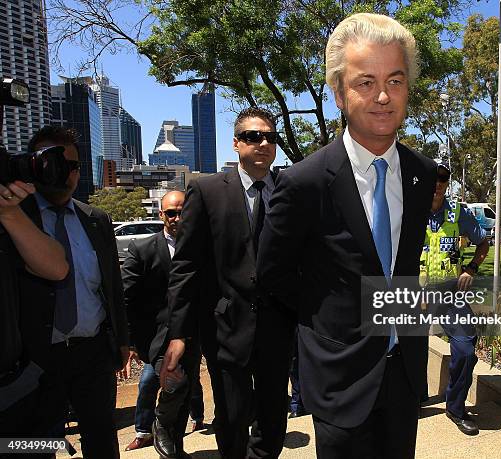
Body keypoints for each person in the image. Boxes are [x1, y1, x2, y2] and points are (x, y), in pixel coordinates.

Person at [257, 13, 437, 459]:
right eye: (365, 82)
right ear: (338, 92)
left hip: (405, 374)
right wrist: (333, 321)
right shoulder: (303, 183)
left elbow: (403, 268)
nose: (382, 96)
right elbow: (273, 276)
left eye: (395, 81)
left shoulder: (422, 175)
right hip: (340, 378)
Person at [160, 107, 295, 459]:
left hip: (277, 329)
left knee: (273, 420)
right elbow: (186, 265)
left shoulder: (289, 190)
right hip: (225, 328)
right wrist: (178, 334)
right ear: (236, 143)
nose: (263, 143)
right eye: (253, 136)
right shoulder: (206, 191)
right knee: (232, 419)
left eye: (270, 137)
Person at [16, 126, 129, 459]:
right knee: (38, 444)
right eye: (53, 163)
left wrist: (122, 341)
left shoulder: (96, 219)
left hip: (92, 353)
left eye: (73, 165)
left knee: (102, 439)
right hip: (35, 359)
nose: (65, 173)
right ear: (32, 165)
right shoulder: (15, 218)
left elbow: (112, 284)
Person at [122, 191, 206, 452]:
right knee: (175, 382)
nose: (177, 218)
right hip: (159, 336)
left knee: (188, 388)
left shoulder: (202, 246)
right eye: (171, 213)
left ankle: (175, 448)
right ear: (161, 215)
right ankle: (158, 423)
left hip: (194, 331)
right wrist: (130, 342)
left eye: (182, 212)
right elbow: (127, 298)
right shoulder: (142, 249)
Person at [420, 162, 489, 435]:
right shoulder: (410, 209)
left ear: (448, 182)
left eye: (443, 179)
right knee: (402, 350)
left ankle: (456, 408)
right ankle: (411, 400)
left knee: (465, 349)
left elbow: (483, 243)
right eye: (434, 178)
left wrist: (471, 268)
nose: (438, 183)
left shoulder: (459, 213)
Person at [0, 180, 69, 439]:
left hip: (13, 387)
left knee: (33, 447)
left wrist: (9, 212)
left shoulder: (15, 212)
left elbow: (56, 267)